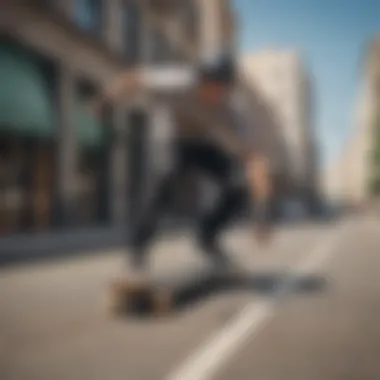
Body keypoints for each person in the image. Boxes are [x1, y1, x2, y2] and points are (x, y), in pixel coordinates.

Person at [91, 55, 274, 282]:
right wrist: (106, 100)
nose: (213, 95)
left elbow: (257, 160)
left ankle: (207, 238)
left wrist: (261, 213)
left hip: (205, 143)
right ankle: (137, 257)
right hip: (171, 138)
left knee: (238, 187)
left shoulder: (232, 110)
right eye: (209, 87)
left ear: (228, 89)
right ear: (199, 80)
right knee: (163, 183)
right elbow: (134, 78)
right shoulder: (177, 82)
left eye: (220, 90)